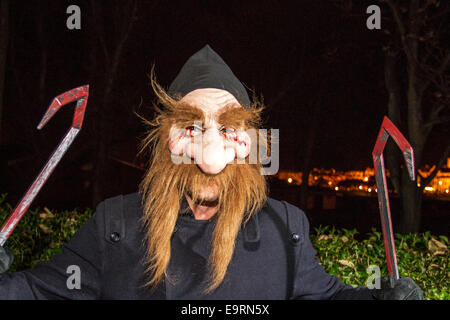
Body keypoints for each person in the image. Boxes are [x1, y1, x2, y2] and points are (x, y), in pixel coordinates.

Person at [0, 45, 423, 300]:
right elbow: (40, 290)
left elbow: (327, 296)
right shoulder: (117, 223)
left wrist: (379, 298)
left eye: (228, 128)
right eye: (191, 127)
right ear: (169, 142)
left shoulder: (284, 228)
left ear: (249, 144)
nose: (209, 156)